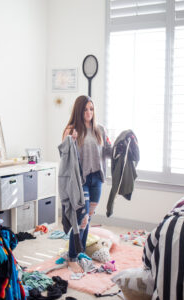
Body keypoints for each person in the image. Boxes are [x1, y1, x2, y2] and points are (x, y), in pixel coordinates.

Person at [61, 95, 112, 273]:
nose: (89, 112)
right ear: (79, 110)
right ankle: (72, 257)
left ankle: (81, 252)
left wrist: (120, 146)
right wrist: (71, 141)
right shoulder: (72, 129)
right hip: (80, 180)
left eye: (91, 109)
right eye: (85, 109)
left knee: (88, 218)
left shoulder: (100, 130)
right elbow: (64, 157)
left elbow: (107, 152)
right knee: (80, 220)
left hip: (96, 178)